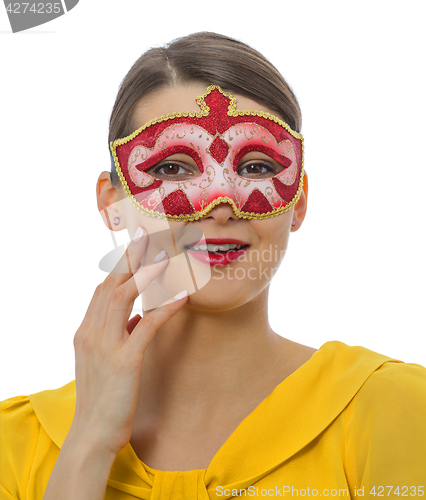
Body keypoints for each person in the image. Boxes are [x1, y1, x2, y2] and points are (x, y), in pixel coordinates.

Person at [1, 32, 425, 500]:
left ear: (299, 202)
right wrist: (89, 442)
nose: (221, 205)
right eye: (172, 169)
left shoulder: (397, 411)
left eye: (257, 167)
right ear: (112, 204)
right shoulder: (15, 446)